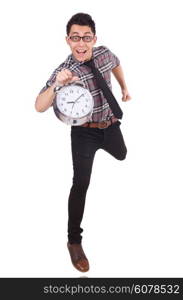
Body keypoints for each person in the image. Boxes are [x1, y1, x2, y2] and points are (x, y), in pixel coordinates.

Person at [35, 12, 131, 273]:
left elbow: (117, 64)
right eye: (75, 37)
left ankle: (110, 145)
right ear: (67, 40)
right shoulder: (65, 71)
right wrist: (57, 85)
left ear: (94, 38)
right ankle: (74, 241)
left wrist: (124, 87)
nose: (81, 43)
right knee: (81, 184)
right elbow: (39, 106)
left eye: (86, 37)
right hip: (84, 134)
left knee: (122, 154)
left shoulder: (103, 54)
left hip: (109, 123)